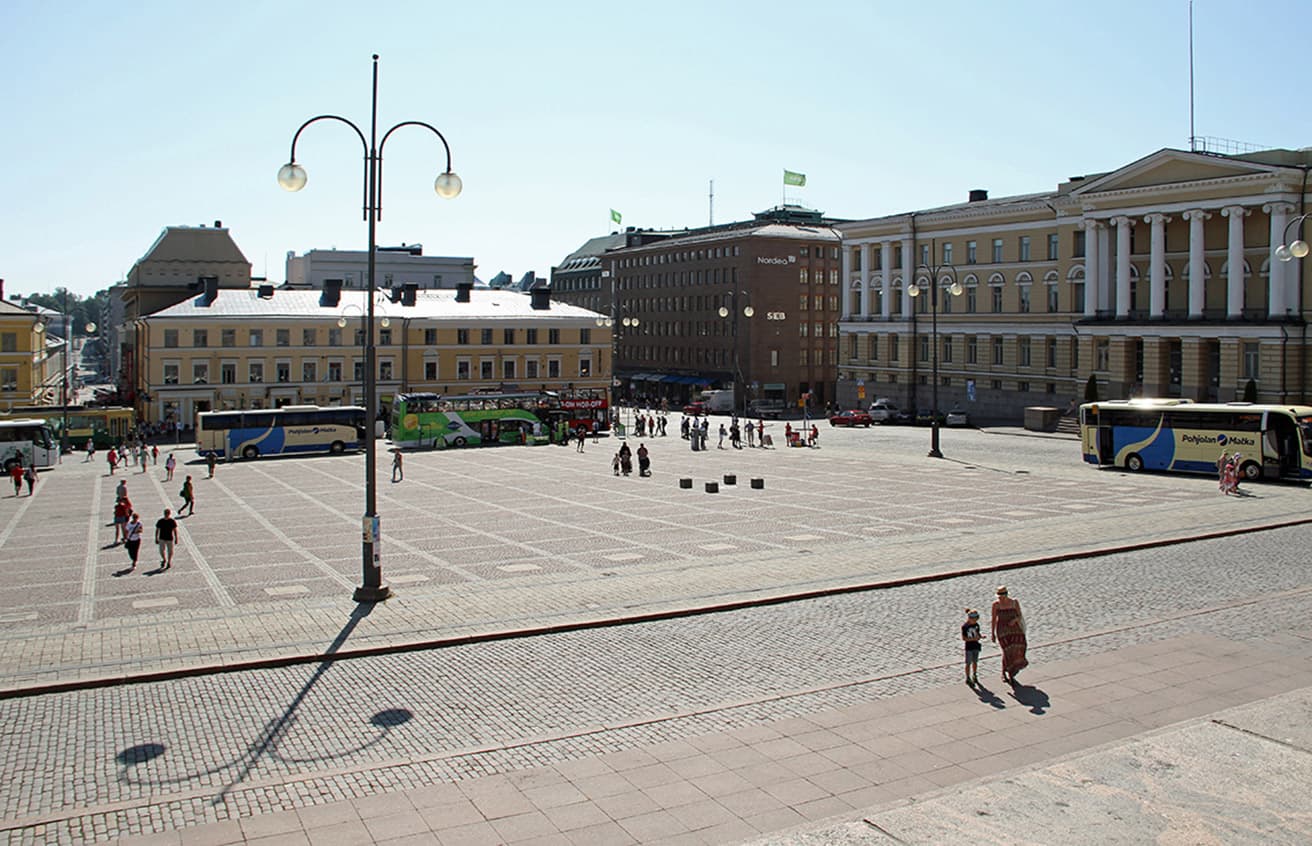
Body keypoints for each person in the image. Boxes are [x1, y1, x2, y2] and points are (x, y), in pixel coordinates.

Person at [990, 586, 1028, 684]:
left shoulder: (1014, 602)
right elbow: (994, 619)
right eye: (999, 595)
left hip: (1015, 629)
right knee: (1006, 651)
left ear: (1006, 594)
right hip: (1002, 630)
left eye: (1002, 595)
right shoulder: (996, 605)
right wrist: (993, 633)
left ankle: (1012, 670)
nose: (1000, 597)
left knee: (1017, 648)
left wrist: (1014, 620)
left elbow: (1019, 615)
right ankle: (1006, 673)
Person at [962, 609, 982, 686]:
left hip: (976, 646)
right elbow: (964, 638)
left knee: (975, 661)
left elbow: (977, 633)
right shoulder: (965, 626)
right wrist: (973, 639)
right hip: (969, 647)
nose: (975, 620)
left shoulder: (976, 625)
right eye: (974, 619)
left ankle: (974, 674)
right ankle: (967, 677)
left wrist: (980, 636)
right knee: (968, 663)